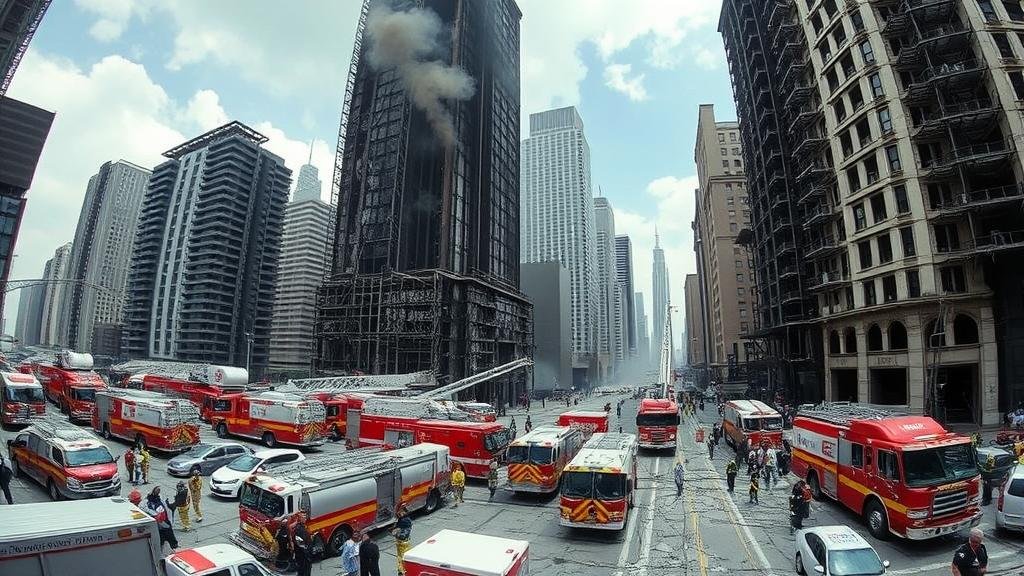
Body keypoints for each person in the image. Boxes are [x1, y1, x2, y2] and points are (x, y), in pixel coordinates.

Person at [392, 507, 412, 576]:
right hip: (402, 543)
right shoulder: (403, 520)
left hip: (403, 543)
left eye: (400, 512)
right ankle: (402, 570)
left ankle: (402, 572)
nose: (398, 514)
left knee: (402, 557)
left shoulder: (405, 521)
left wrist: (395, 533)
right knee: (401, 557)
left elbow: (403, 535)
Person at [293, 512, 312, 576]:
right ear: (299, 518)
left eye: (305, 517)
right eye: (303, 517)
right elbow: (300, 543)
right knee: (303, 570)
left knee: (307, 569)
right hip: (302, 554)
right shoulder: (298, 528)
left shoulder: (304, 527)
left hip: (306, 552)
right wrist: (306, 552)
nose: (305, 518)